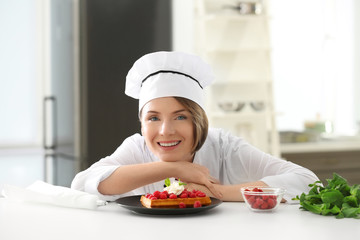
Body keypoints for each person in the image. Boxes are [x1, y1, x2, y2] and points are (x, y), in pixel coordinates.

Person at [71, 51, 319, 202]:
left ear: (198, 119)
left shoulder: (223, 146)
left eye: (180, 117)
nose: (165, 130)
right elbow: (83, 183)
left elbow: (306, 181)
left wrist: (212, 192)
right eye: (153, 118)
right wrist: (175, 169)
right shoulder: (136, 148)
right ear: (142, 122)